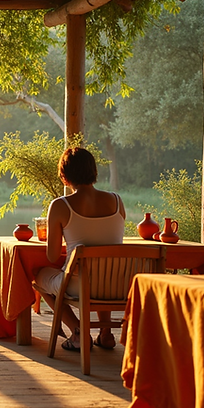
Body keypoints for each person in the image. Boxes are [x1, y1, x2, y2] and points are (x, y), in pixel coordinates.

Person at [34, 147, 125, 352]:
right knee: (103, 274)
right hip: (116, 284)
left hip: (77, 286)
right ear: (93, 171)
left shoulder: (60, 205)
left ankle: (78, 330)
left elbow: (52, 255)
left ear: (64, 175)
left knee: (37, 276)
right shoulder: (118, 201)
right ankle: (106, 334)